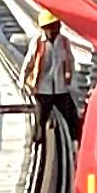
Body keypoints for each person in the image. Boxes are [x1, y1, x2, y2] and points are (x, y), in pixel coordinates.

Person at [22, 13, 84, 145]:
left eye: (57, 26)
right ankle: (38, 144)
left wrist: (72, 83)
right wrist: (23, 82)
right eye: (51, 26)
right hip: (43, 90)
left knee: (72, 117)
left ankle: (76, 142)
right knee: (40, 120)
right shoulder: (38, 42)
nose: (55, 30)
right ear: (44, 28)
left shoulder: (64, 42)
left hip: (61, 88)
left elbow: (70, 62)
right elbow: (29, 63)